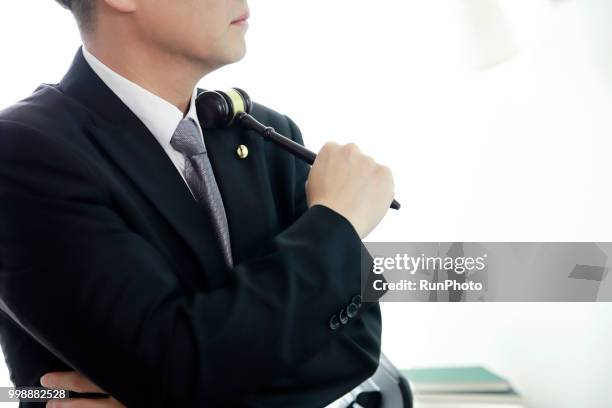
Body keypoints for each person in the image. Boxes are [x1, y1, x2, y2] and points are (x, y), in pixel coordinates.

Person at [0, 0, 396, 406]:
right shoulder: (23, 151)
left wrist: (172, 396)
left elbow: (356, 348)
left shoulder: (267, 134)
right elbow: (176, 366)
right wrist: (336, 222)